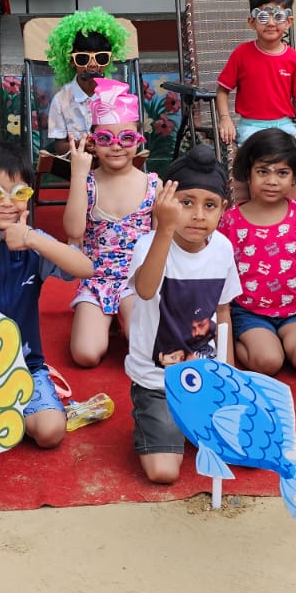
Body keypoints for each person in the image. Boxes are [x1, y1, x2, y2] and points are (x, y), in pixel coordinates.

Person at [0, 141, 94, 448]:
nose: (6, 202)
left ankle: (31, 402)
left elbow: (85, 268)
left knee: (50, 432)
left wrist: (31, 238)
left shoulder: (34, 241)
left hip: (25, 364)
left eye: (18, 193)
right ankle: (1, 408)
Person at [125, 145, 241, 484]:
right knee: (163, 472)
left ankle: (190, 420)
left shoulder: (223, 248)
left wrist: (230, 377)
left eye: (210, 205)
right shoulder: (149, 245)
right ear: (166, 202)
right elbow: (146, 290)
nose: (198, 215)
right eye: (186, 202)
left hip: (204, 378)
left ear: (223, 209)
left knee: (245, 449)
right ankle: (154, 418)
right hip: (158, 381)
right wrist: (164, 228)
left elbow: (223, 313)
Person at [219, 129, 296, 375]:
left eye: (282, 173)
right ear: (248, 173)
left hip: (295, 310)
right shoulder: (231, 220)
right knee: (269, 362)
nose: (272, 180)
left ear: (295, 176)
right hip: (249, 311)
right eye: (262, 171)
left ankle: (275, 341)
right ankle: (237, 339)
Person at [63, 78, 159, 368]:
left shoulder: (152, 185)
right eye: (106, 138)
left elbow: (160, 243)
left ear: (139, 140)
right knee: (86, 355)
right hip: (96, 280)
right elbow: (73, 231)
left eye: (126, 138)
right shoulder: (88, 183)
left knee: (145, 347)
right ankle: (104, 319)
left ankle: (122, 319)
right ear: (93, 142)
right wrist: (78, 175)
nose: (116, 147)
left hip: (137, 281)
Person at [215, 0, 296, 161]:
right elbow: (222, 90)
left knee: (295, 156)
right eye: (263, 17)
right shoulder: (241, 54)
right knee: (260, 156)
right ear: (252, 22)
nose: (271, 23)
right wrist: (225, 118)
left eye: (278, 17)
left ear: (288, 22)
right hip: (250, 126)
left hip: (284, 125)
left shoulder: (294, 60)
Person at [44, 8, 130, 180]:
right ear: (71, 61)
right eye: (83, 58)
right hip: (77, 169)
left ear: (109, 61)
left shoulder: (118, 95)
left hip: (113, 164)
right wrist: (83, 144)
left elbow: (128, 136)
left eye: (101, 58)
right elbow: (60, 147)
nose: (92, 65)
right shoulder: (61, 100)